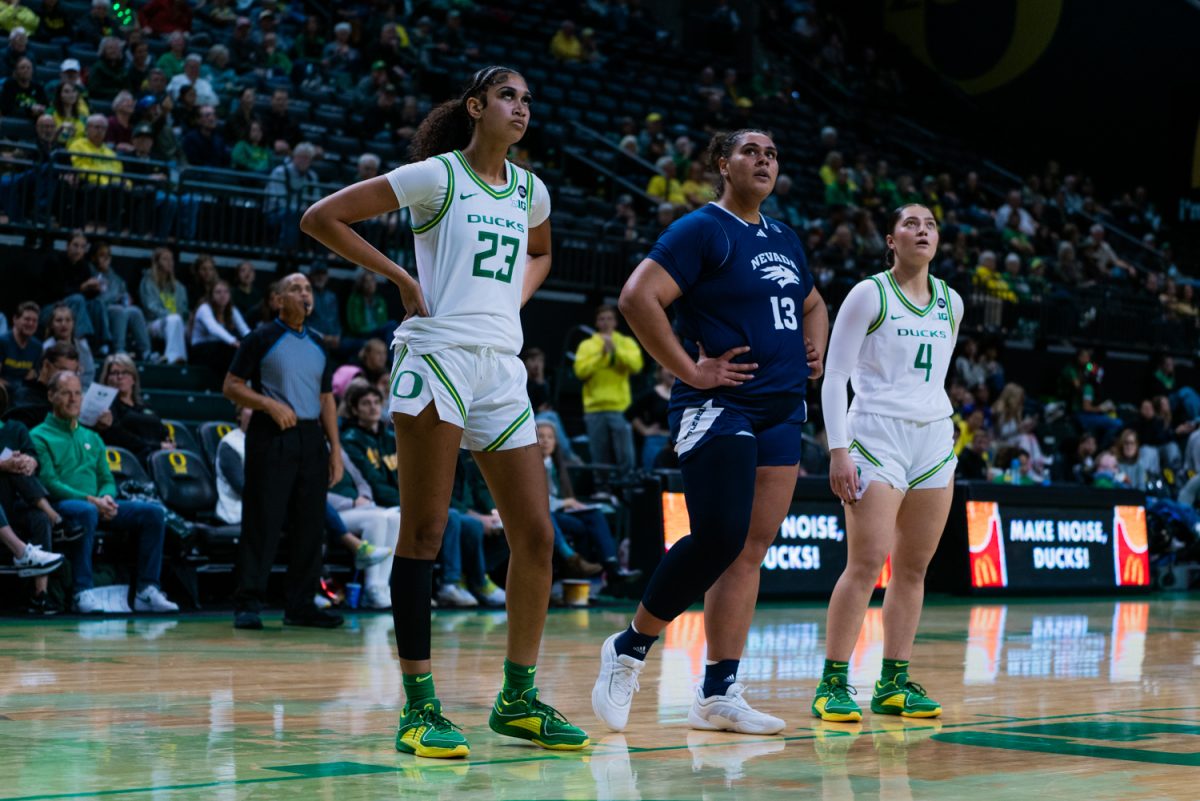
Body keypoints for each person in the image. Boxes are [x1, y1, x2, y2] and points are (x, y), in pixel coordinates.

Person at [300, 65, 589, 757]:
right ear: (476, 106)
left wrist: (508, 299)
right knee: (425, 530)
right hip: (435, 358)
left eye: (528, 97)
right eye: (509, 96)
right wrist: (401, 276)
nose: (522, 107)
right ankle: (419, 706)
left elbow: (543, 253)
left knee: (538, 538)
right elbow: (322, 217)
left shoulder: (531, 190)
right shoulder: (437, 176)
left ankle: (517, 697)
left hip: (500, 368)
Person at [592, 129, 828, 736]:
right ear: (723, 164)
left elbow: (813, 303)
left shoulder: (783, 236)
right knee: (720, 535)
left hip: (782, 410)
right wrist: (690, 368)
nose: (765, 160)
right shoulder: (703, 228)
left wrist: (816, 348)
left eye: (773, 153)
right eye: (751, 151)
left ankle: (718, 693)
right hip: (720, 406)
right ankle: (629, 647)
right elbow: (638, 296)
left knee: (749, 550)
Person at [814, 203, 963, 723]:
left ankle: (893, 683)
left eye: (930, 226)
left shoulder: (952, 302)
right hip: (876, 435)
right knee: (866, 563)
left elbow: (934, 380)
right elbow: (835, 377)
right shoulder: (868, 293)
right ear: (891, 240)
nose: (922, 231)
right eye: (911, 224)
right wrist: (838, 448)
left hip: (933, 442)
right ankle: (832, 683)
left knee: (914, 569)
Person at [222, 272, 344, 631]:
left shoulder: (321, 343)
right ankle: (248, 603)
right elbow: (231, 385)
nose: (304, 293)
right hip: (271, 432)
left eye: (308, 288)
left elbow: (326, 399)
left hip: (310, 437)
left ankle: (301, 604)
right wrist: (267, 404)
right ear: (277, 300)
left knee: (310, 526)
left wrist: (334, 449)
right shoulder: (260, 338)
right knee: (263, 520)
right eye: (295, 288)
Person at [32, 371, 179, 613]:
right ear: (51, 396)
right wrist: (92, 500)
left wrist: (107, 497)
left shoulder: (93, 437)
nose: (73, 399)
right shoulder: (38, 436)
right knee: (86, 511)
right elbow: (50, 482)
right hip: (62, 505)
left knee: (152, 513)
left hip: (98, 503)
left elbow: (106, 478)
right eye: (66, 393)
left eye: (78, 393)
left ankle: (146, 590)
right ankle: (82, 591)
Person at [574, 305, 643, 477]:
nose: (606, 322)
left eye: (609, 318)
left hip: (620, 407)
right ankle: (602, 490)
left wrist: (616, 351)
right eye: (602, 319)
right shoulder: (587, 345)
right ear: (597, 322)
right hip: (595, 408)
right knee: (599, 456)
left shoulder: (626, 343)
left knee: (626, 455)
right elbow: (580, 371)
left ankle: (626, 490)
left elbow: (636, 366)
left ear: (615, 322)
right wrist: (602, 355)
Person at [95, 354, 172, 462]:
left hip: (157, 455)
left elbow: (161, 428)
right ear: (107, 378)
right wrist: (157, 446)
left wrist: (168, 441)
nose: (120, 377)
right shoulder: (106, 407)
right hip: (129, 459)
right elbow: (120, 436)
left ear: (134, 378)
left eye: (125, 372)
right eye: (114, 373)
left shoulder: (144, 405)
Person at [91, 241, 151, 360]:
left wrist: (126, 298)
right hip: (99, 311)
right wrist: (116, 297)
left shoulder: (114, 275)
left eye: (108, 255)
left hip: (116, 308)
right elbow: (99, 300)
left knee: (135, 311)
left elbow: (123, 291)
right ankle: (119, 349)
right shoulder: (90, 272)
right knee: (119, 310)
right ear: (94, 257)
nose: (106, 258)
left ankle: (146, 351)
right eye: (102, 255)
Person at [139, 247, 189, 364]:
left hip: (178, 322)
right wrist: (171, 315)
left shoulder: (179, 287)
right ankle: (173, 357)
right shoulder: (148, 282)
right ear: (157, 262)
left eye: (171, 259)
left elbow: (184, 309)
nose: (170, 262)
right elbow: (150, 308)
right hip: (154, 323)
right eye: (165, 259)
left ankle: (180, 358)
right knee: (174, 319)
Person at [190, 280, 249, 377]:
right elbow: (213, 328)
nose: (223, 295)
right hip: (200, 349)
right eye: (218, 292)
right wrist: (233, 341)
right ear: (211, 295)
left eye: (226, 292)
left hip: (219, 348)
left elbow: (245, 330)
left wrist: (255, 343)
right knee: (231, 351)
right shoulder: (204, 308)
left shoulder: (232, 310)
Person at [627, 362, 673, 470]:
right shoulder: (651, 393)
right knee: (655, 478)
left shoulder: (684, 394)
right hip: (657, 441)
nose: (672, 372)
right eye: (668, 367)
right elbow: (630, 412)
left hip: (679, 443)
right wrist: (644, 430)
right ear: (660, 371)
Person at [42, 303, 95, 389]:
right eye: (59, 320)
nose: (63, 324)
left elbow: (89, 374)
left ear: (73, 323)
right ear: (51, 324)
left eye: (68, 320)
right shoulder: (46, 347)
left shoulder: (82, 346)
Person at [0, 301, 41, 389]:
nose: (30, 323)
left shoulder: (37, 347)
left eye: (34, 321)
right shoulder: (2, 342)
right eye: (27, 319)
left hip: (24, 394)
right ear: (15, 319)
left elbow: (32, 375)